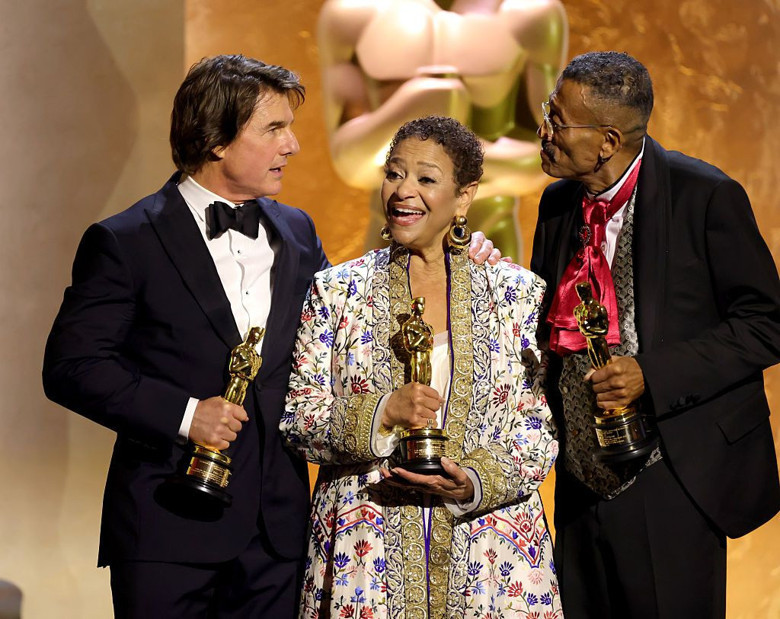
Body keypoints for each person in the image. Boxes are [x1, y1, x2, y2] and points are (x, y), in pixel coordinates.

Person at [42, 55, 500, 618]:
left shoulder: (297, 231)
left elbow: (356, 324)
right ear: (217, 140)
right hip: (167, 527)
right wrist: (186, 416)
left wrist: (452, 259)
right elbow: (73, 367)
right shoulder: (126, 240)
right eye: (274, 129)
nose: (293, 145)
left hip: (279, 539)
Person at [530, 51, 780, 618]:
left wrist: (652, 373)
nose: (544, 131)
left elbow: (766, 323)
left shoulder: (704, 196)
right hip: (579, 479)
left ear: (607, 141)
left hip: (674, 475)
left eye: (558, 121)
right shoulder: (557, 204)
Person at [282, 116, 559, 619]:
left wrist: (474, 481)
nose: (403, 191)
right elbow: (299, 419)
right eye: (394, 173)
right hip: (364, 556)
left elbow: (539, 430)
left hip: (492, 563)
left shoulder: (517, 295)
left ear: (464, 197)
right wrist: (382, 413)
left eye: (426, 178)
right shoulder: (337, 291)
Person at [318, 0, 568, 257]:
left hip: (484, 229)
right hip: (396, 228)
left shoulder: (529, 14)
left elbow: (549, 153)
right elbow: (349, 163)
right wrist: (410, 105)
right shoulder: (352, 15)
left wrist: (445, 158)